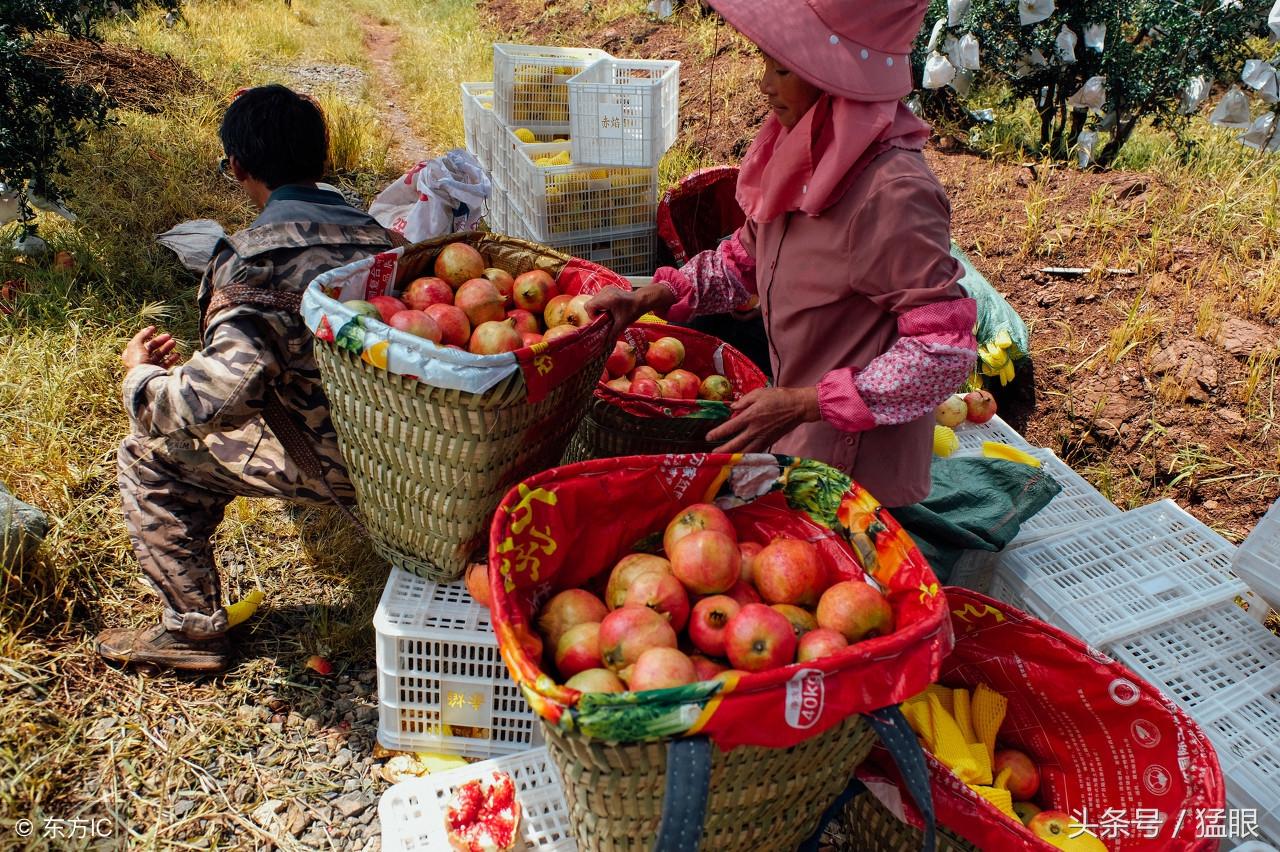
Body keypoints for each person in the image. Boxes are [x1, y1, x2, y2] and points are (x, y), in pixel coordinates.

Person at [590, 0, 977, 508]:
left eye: (785, 69)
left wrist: (805, 403)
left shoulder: (894, 192)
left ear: (837, 81)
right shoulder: (802, 149)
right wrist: (654, 295)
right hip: (798, 434)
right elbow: (745, 258)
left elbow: (944, 351)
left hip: (856, 472)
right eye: (766, 63)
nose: (765, 85)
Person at [97, 85, 398, 673]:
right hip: (411, 456)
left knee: (147, 455)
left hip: (346, 464)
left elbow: (214, 403)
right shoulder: (385, 240)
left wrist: (143, 380)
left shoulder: (254, 260)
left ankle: (191, 632)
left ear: (237, 166)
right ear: (322, 158)